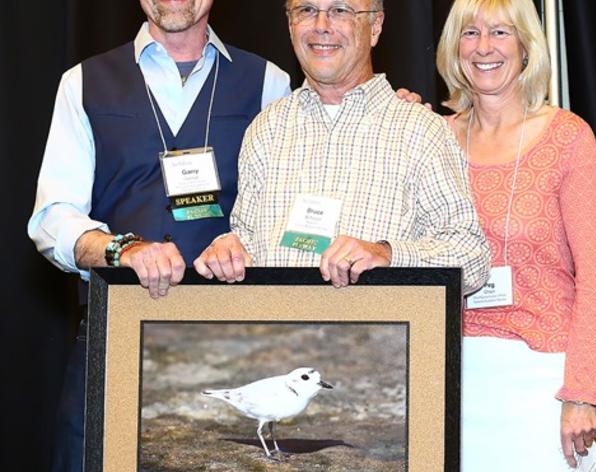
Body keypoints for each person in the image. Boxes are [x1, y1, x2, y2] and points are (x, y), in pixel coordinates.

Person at [27, 1, 292, 470]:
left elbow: (290, 208)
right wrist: (120, 248)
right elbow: (52, 216)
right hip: (113, 336)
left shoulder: (270, 82)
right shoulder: (82, 83)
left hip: (235, 337)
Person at [193, 0, 491, 294]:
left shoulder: (420, 130)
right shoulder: (267, 128)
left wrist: (388, 256)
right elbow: (246, 241)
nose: (321, 27)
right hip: (276, 339)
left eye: (340, 11)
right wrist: (228, 251)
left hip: (374, 340)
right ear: (290, 25)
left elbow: (471, 256)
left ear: (375, 26)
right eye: (307, 11)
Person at [436, 0, 596, 469]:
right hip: (449, 373)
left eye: (500, 33)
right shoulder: (430, 138)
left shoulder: (568, 138)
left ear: (527, 48)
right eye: (469, 33)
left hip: (543, 379)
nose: (484, 47)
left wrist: (583, 392)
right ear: (454, 49)